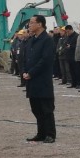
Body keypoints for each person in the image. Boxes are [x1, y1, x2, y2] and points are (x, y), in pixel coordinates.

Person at [22, 15, 56, 143]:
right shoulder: (31, 40)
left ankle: (50, 134)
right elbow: (26, 58)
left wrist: (31, 72)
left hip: (42, 79)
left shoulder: (47, 40)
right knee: (35, 108)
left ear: (40, 24)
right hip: (31, 80)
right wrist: (25, 71)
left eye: (31, 22)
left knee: (46, 108)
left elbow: (46, 60)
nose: (29, 25)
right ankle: (41, 133)